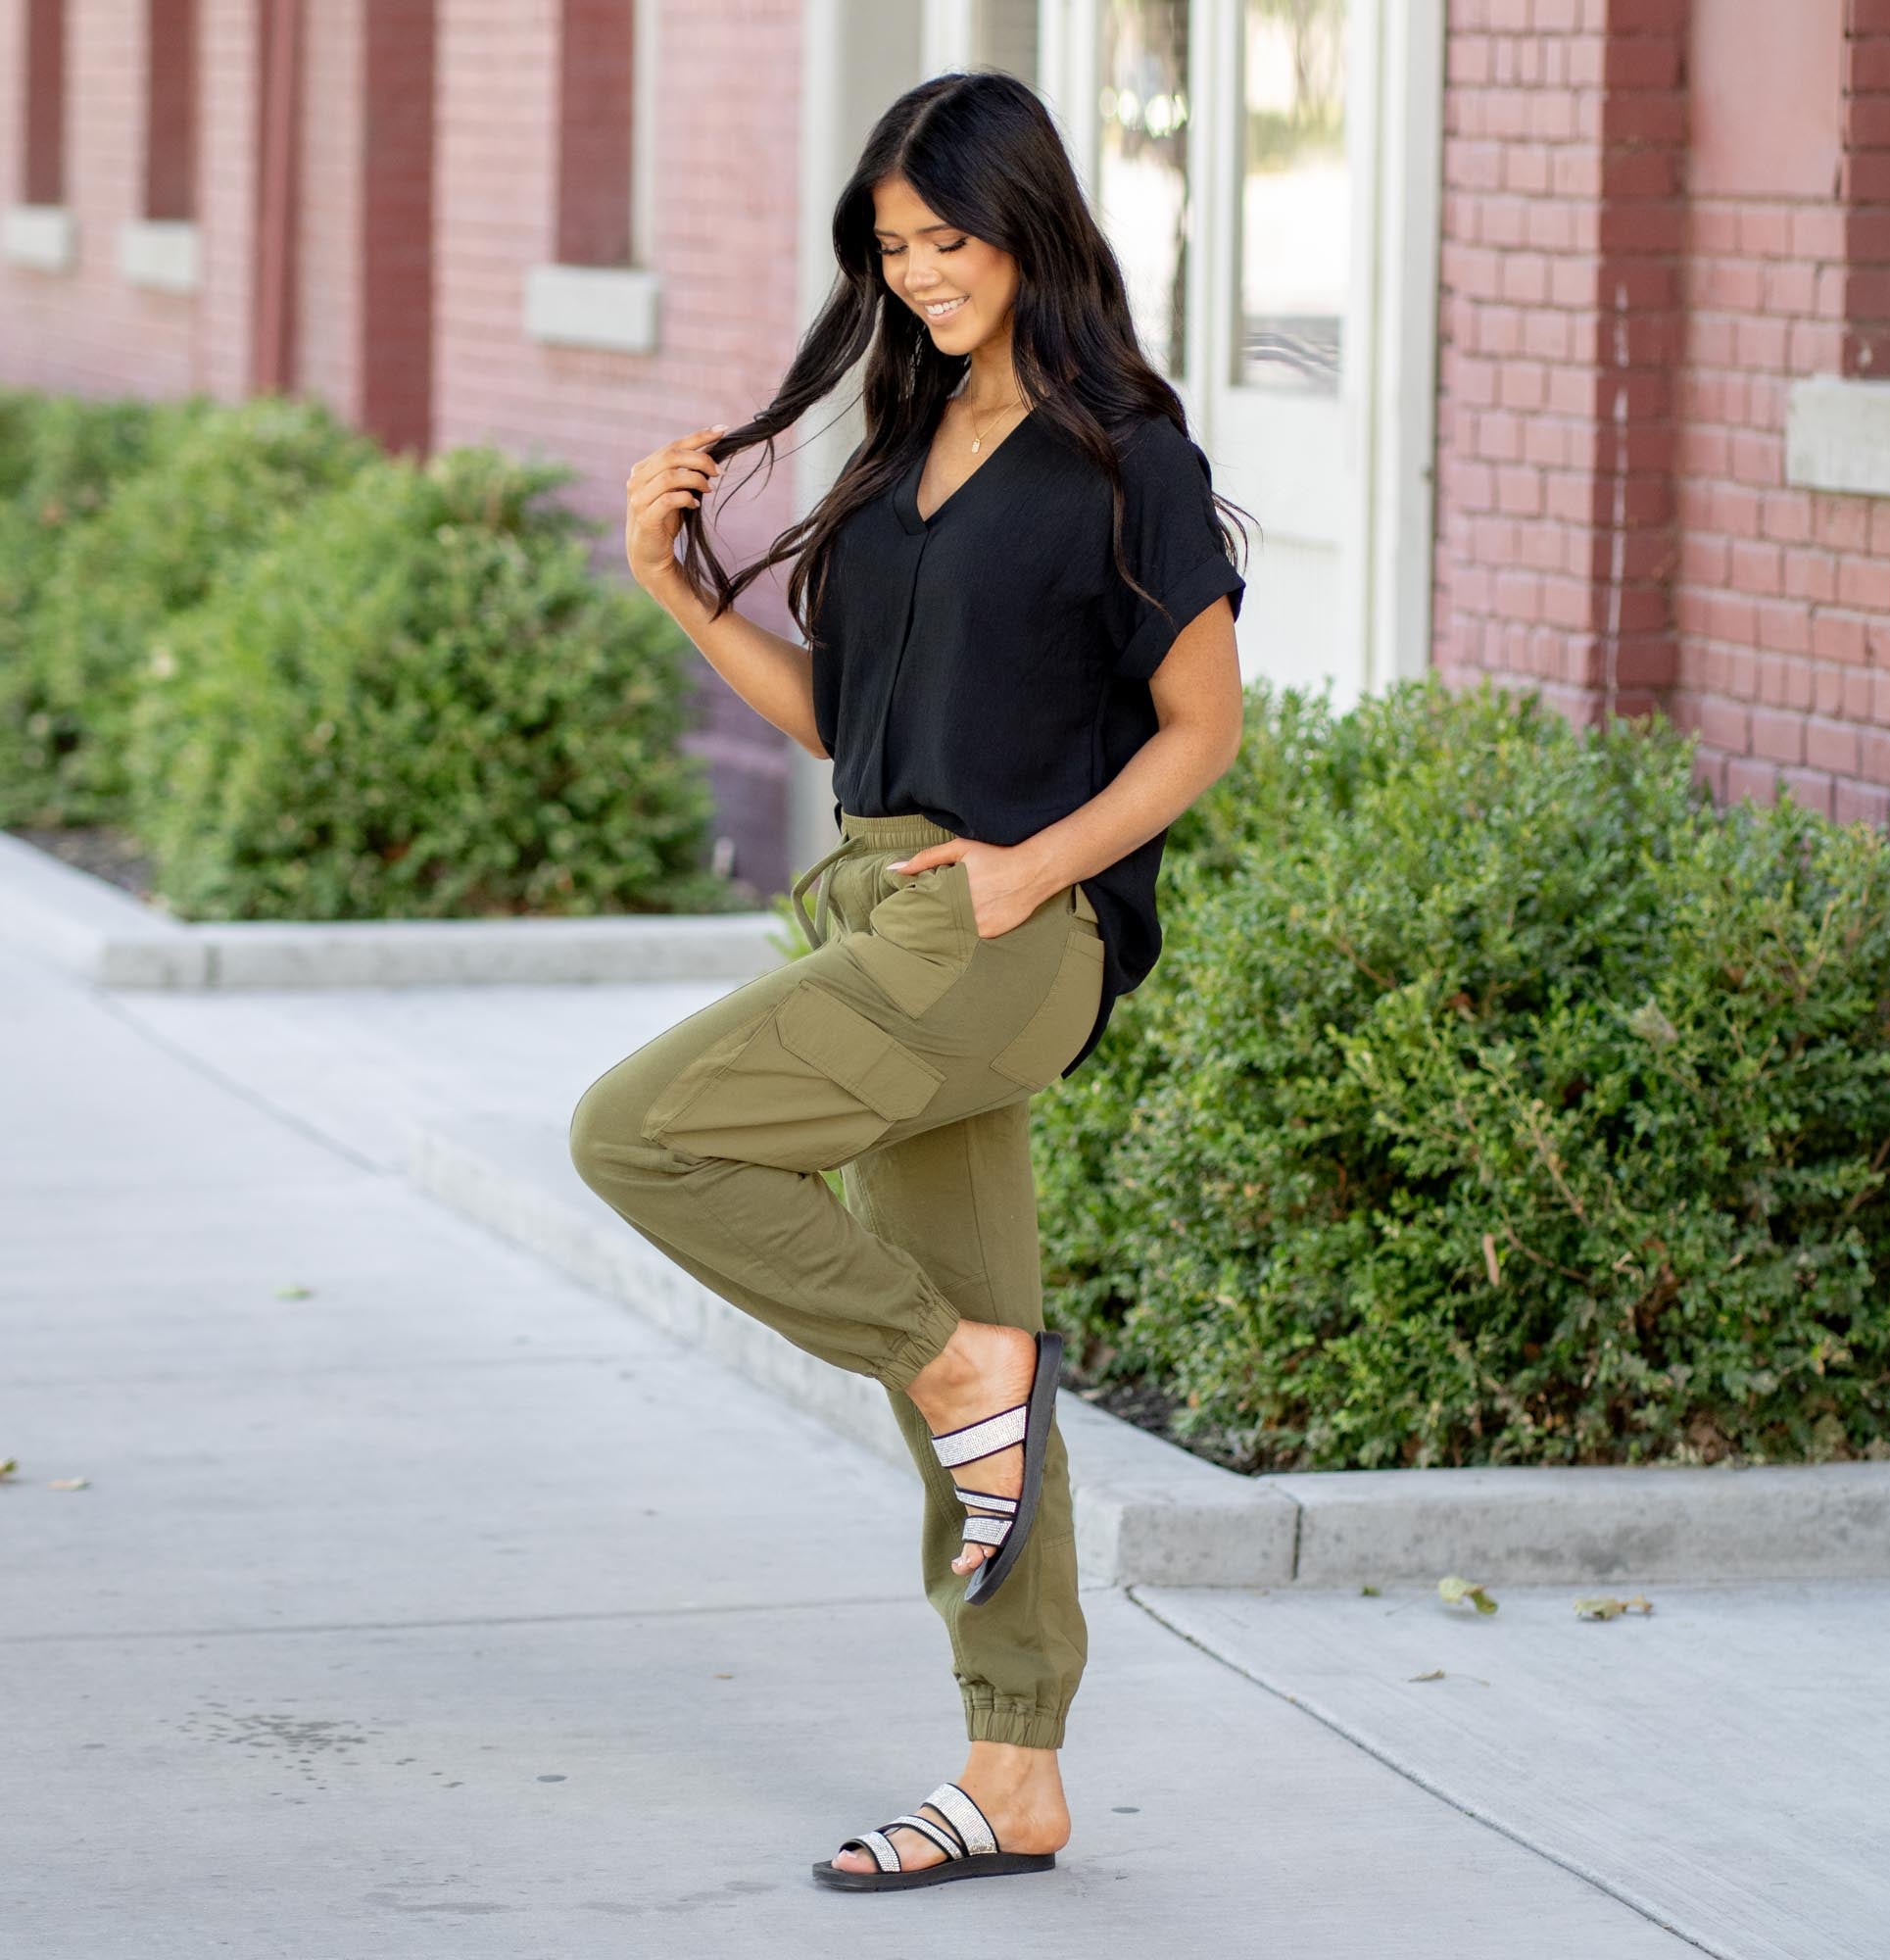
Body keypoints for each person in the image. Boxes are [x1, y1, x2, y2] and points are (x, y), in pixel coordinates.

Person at [567, 68, 1249, 1893]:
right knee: (983, 1327)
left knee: (639, 1134)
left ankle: (951, 1369)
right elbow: (843, 726)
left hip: (1002, 926)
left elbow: (1202, 727)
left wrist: (1037, 866)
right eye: (892, 247)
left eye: (950, 238)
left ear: (1029, 228)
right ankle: (1014, 1771)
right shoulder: (899, 447)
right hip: (879, 908)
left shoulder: (1126, 456)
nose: (922, 273)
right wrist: (679, 592)